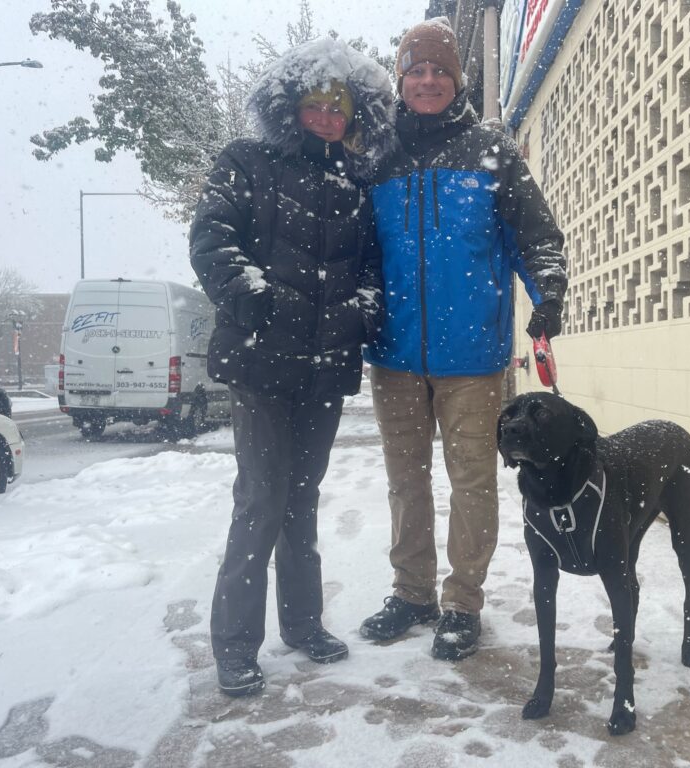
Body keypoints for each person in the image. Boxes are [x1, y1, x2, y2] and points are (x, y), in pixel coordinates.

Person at [189, 37, 395, 697]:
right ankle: (234, 646)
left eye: (340, 106)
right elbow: (212, 237)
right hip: (259, 365)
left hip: (325, 368)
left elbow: (370, 268)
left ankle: (303, 625)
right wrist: (253, 298)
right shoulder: (246, 162)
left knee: (301, 501)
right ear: (292, 105)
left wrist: (364, 312)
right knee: (260, 500)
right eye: (317, 103)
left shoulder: (355, 183)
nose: (329, 116)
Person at [359, 18, 567, 661]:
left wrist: (548, 291)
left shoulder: (492, 149)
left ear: (458, 79)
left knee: (472, 480)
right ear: (401, 77)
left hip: (472, 356)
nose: (428, 81)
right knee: (405, 479)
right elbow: (354, 250)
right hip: (393, 353)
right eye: (416, 70)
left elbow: (537, 235)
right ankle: (412, 591)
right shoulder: (376, 156)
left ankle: (461, 601)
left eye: (439, 71)